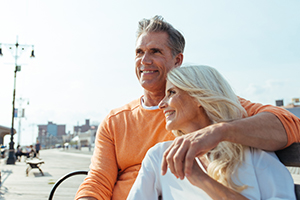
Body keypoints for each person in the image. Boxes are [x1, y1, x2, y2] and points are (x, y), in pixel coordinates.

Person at [75, 16, 300, 200]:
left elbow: (288, 124)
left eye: (155, 51)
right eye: (139, 52)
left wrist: (216, 131)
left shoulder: (210, 103)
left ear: (178, 60)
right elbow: (97, 181)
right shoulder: (116, 121)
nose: (144, 60)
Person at [127, 65, 296, 199]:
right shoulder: (159, 156)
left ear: (199, 98)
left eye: (171, 92)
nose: (162, 103)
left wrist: (201, 179)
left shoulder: (252, 150)